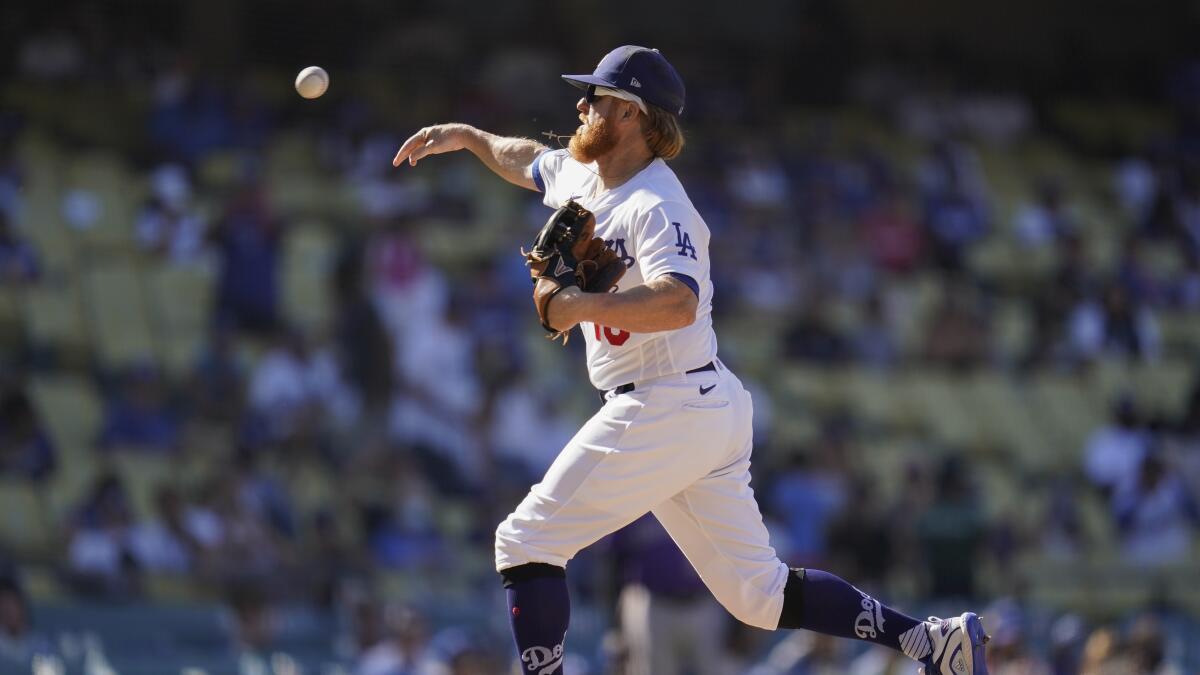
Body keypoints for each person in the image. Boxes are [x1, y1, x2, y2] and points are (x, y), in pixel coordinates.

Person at [393, 45, 990, 675]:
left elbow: (680, 301)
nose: (580, 104)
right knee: (761, 596)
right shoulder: (587, 175)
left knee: (525, 540)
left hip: (667, 396)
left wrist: (577, 305)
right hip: (697, 403)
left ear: (628, 112)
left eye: (594, 96)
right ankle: (931, 640)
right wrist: (464, 136)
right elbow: (528, 163)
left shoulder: (659, 204)